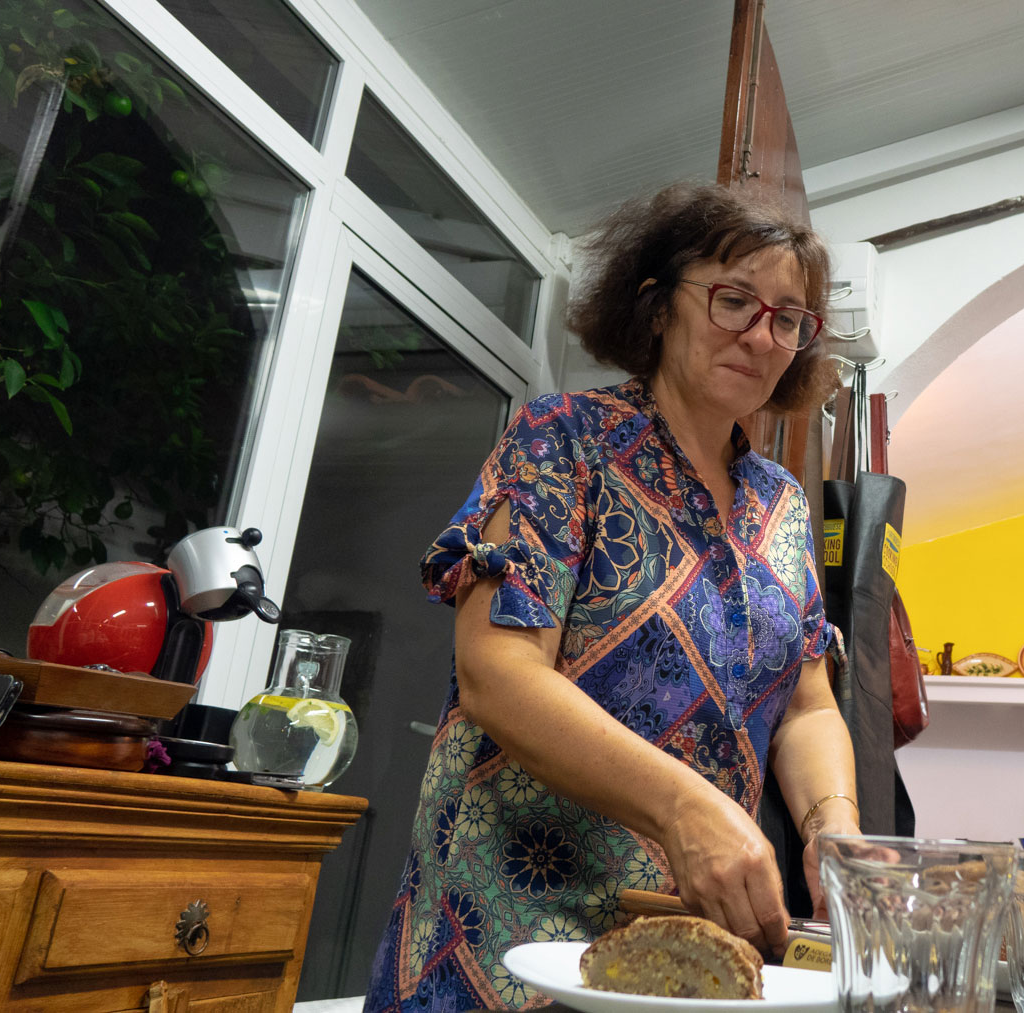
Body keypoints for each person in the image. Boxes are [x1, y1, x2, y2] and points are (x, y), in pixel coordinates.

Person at [365, 182, 861, 1011]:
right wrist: (684, 808)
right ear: (658, 304)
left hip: (683, 952)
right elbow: (497, 672)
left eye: (788, 319)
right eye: (734, 300)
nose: (760, 334)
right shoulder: (562, 439)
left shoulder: (782, 505)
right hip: (506, 938)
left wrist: (832, 825)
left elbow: (807, 706)